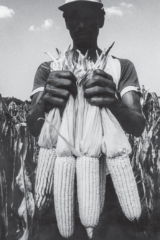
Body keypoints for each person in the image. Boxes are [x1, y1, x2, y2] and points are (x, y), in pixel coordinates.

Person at [27, 0, 146, 239]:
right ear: (66, 22)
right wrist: (46, 99)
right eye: (73, 16)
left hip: (109, 184)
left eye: (88, 16)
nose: (80, 24)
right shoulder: (48, 69)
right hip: (60, 181)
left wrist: (111, 99)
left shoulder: (121, 67)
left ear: (101, 19)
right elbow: (33, 126)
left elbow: (138, 124)